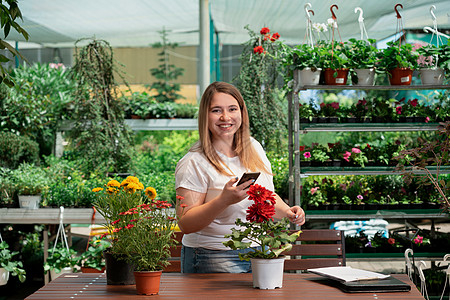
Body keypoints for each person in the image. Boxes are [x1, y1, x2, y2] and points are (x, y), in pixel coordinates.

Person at [175, 81, 306, 273]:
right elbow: (185, 223)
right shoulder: (193, 162)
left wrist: (287, 211)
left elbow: (267, 196)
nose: (225, 117)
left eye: (232, 109)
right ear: (205, 116)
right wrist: (223, 200)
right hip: (211, 255)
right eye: (216, 110)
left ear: (242, 114)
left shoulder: (253, 148)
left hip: (258, 250)